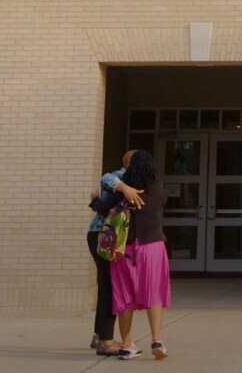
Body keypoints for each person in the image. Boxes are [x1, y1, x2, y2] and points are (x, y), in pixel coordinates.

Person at [109, 149, 171, 360]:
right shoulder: (159, 190)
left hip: (124, 249)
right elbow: (160, 203)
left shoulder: (121, 192)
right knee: (154, 293)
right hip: (152, 246)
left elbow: (102, 208)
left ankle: (127, 343)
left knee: (124, 297)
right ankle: (156, 340)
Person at [87, 150, 144, 357]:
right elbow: (106, 178)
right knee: (109, 286)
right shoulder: (118, 177)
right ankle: (105, 340)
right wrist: (124, 187)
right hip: (103, 237)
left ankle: (100, 334)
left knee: (107, 284)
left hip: (114, 239)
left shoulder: (138, 181)